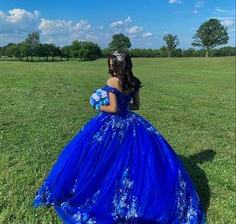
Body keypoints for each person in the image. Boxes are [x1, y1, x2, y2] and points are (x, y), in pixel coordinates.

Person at [33, 50, 206, 224]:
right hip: (132, 121)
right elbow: (136, 105)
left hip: (112, 123)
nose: (110, 69)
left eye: (112, 65)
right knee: (134, 159)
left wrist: (97, 105)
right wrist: (125, 104)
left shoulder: (112, 81)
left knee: (100, 156)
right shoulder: (134, 81)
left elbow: (113, 109)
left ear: (118, 66)